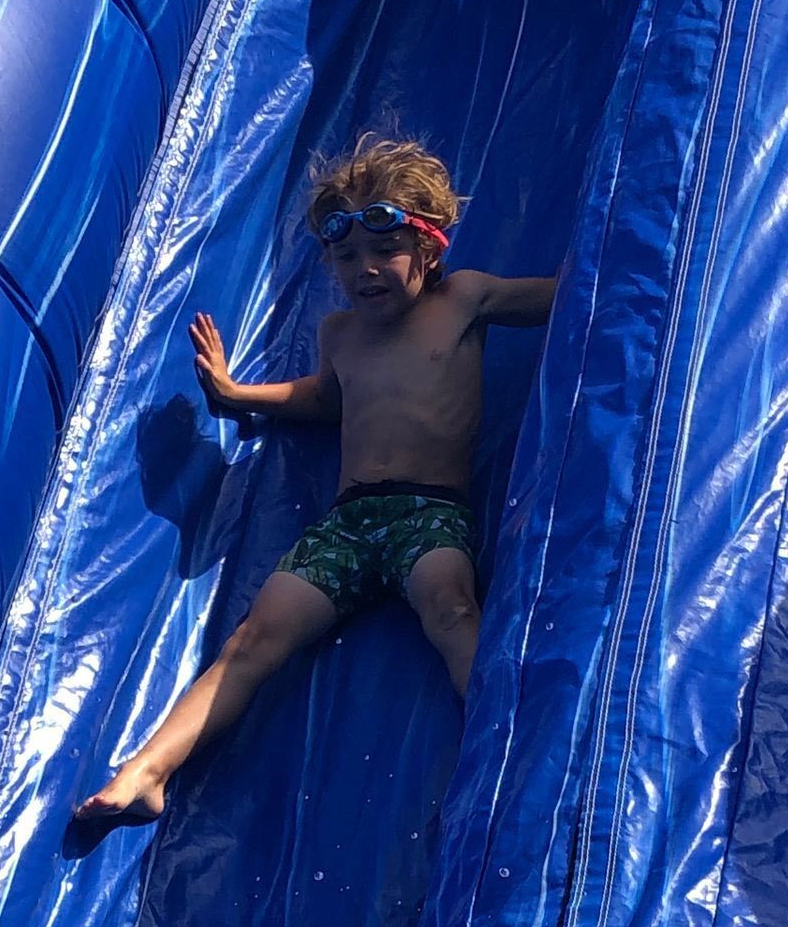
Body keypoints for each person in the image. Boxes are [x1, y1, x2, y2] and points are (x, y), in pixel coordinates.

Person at [73, 135, 557, 835]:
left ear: (429, 246)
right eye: (346, 257)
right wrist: (240, 394)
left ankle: (509, 745)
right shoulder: (340, 333)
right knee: (253, 638)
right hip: (348, 522)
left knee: (449, 605)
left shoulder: (464, 299)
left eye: (382, 253)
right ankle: (147, 773)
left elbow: (564, 294)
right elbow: (328, 401)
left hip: (428, 511)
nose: (364, 271)